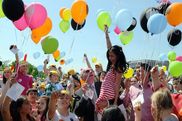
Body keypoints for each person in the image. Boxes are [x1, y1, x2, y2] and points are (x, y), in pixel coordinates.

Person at [96, 25, 128, 112]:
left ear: (118, 56)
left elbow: (117, 84)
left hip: (110, 98)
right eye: (109, 56)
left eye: (112, 56)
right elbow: (109, 48)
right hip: (105, 96)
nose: (110, 58)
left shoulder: (119, 67)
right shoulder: (112, 65)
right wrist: (106, 34)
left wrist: (114, 102)